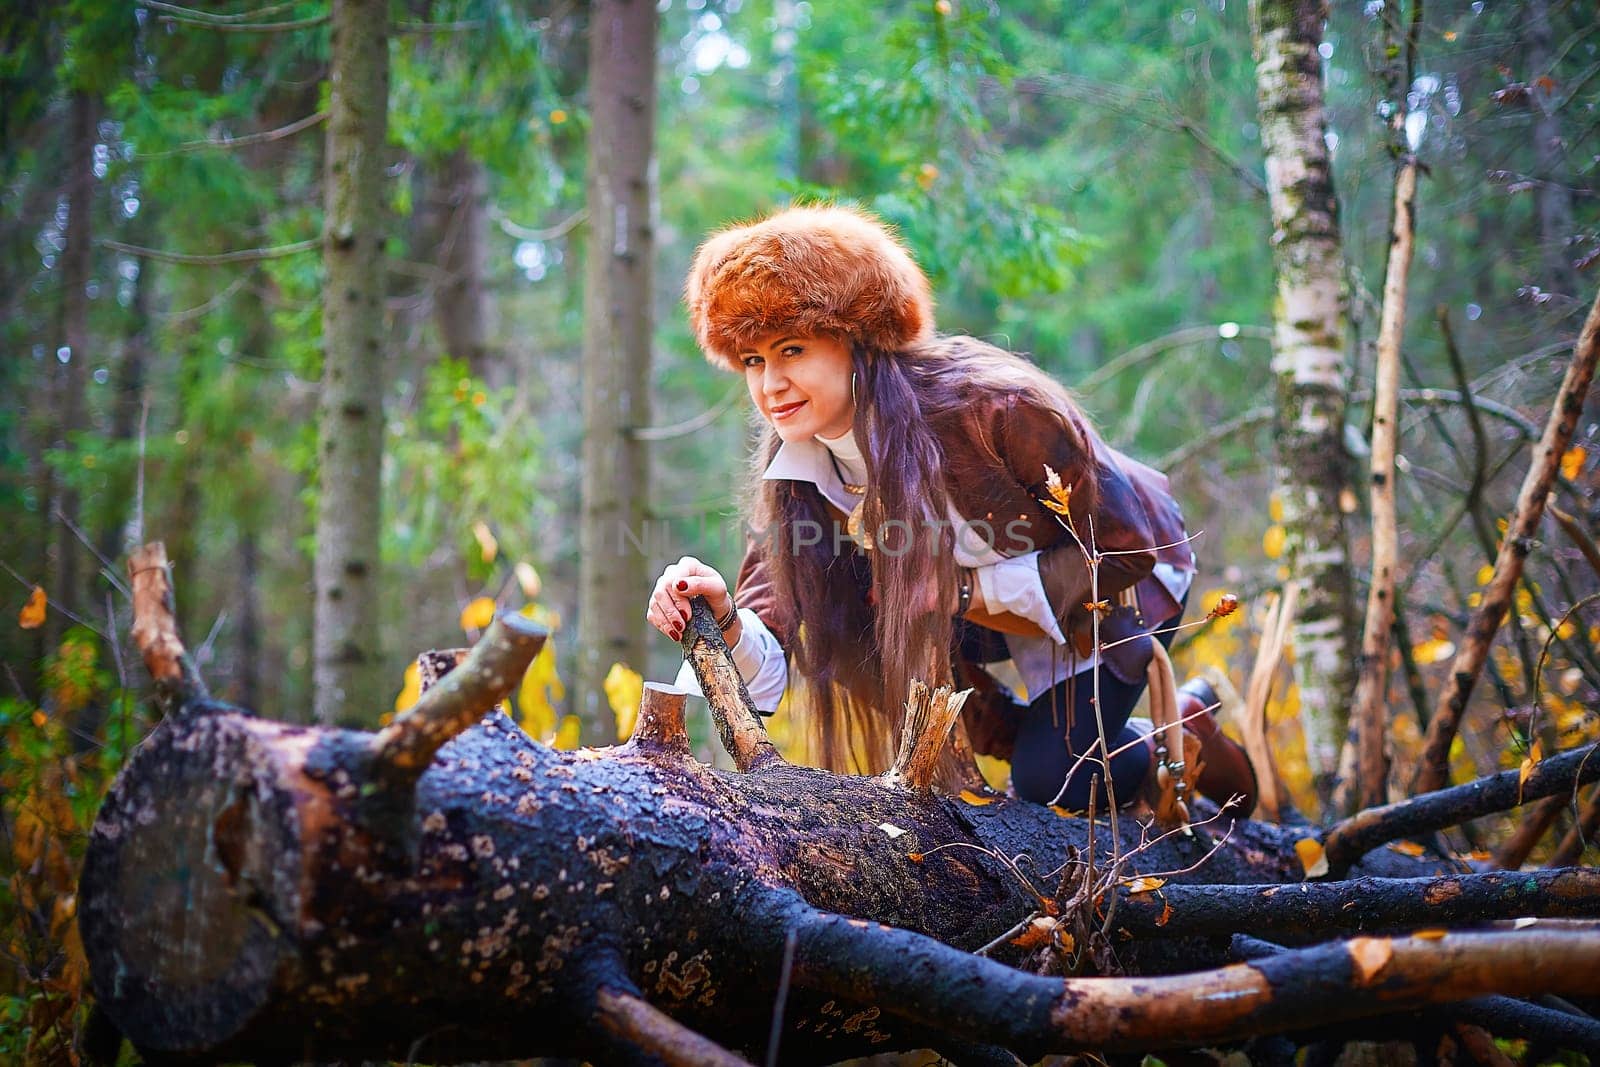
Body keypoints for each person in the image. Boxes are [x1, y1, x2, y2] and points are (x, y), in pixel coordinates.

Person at [645, 203, 1256, 815]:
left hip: (1110, 588)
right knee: (844, 610)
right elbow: (776, 630)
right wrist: (722, 618)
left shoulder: (996, 406)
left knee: (1053, 785)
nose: (770, 383)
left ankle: (1186, 730)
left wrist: (958, 590)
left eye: (792, 349)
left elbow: (1126, 548)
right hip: (984, 617)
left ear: (859, 339)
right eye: (753, 360)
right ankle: (1036, 744)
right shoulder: (797, 469)